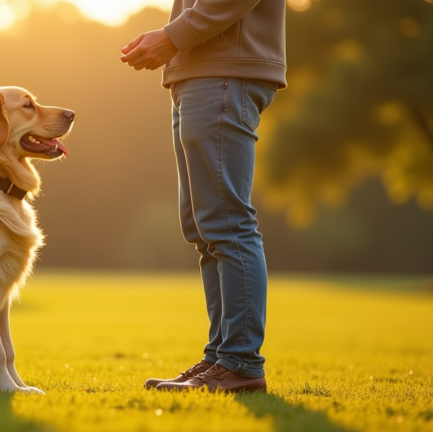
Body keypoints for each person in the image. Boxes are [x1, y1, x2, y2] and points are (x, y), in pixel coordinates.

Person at [120, 0, 287, 392]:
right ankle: (220, 358)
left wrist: (172, 36)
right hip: (198, 72)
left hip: (224, 71)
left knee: (227, 223)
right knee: (203, 228)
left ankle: (241, 363)